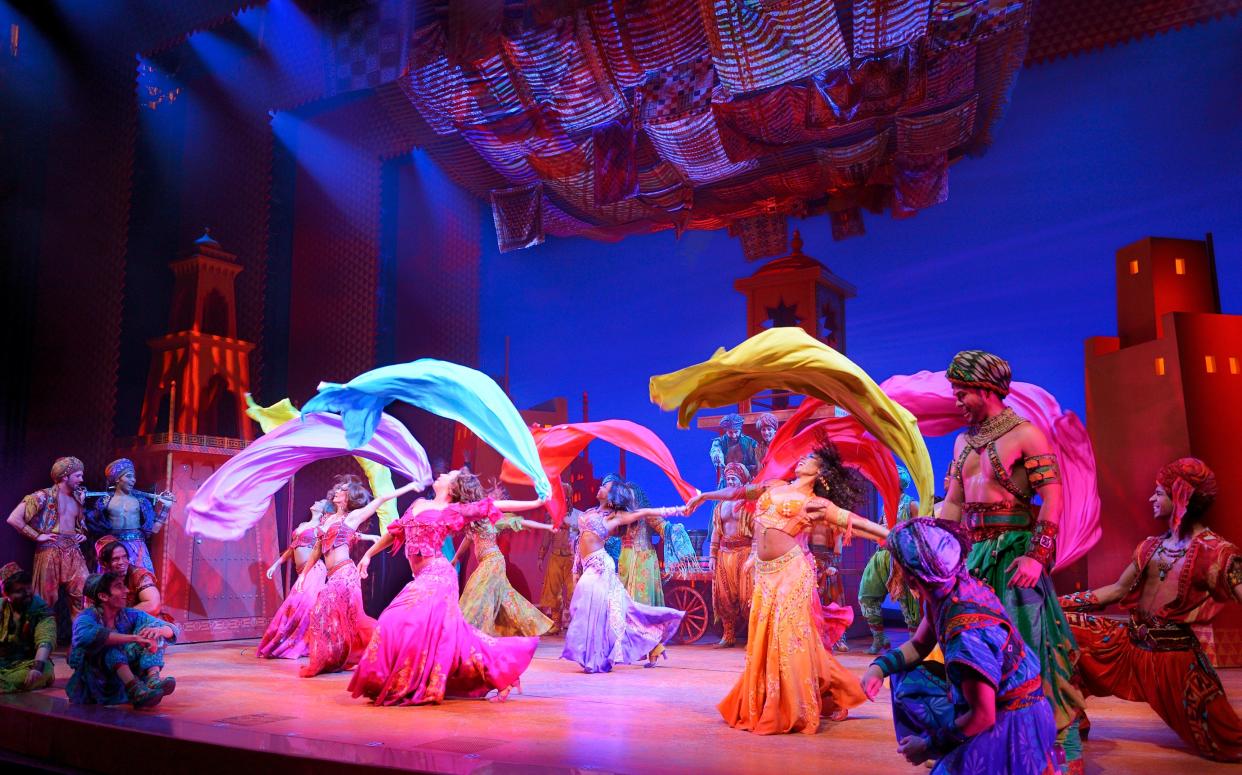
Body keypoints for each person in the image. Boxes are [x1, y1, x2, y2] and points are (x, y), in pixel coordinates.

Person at [938, 350, 1084, 771]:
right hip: (974, 558)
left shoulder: (1026, 434)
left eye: (962, 391)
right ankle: (992, 739)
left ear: (987, 389)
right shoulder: (963, 441)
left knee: (1033, 646)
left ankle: (1063, 741)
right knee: (975, 650)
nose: (957, 400)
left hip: (1016, 555)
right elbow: (952, 501)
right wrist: (938, 548)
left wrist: (1037, 557)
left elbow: (1054, 498)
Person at [688, 443, 888, 734]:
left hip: (793, 572)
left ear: (820, 472)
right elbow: (738, 492)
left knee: (791, 641)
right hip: (766, 574)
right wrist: (705, 496)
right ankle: (830, 694)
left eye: (810, 459)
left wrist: (892, 534)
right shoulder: (775, 485)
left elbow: (857, 523)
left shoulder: (816, 503)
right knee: (770, 640)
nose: (802, 459)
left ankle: (804, 704)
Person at [1060, 458, 1242, 761]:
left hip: (1173, 662)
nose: (1151, 498)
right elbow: (1117, 590)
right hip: (1127, 648)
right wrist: (1056, 604)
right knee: (1059, 626)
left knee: (1228, 743)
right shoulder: (1150, 547)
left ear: (1181, 496)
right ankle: (1070, 717)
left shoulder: (1217, 554)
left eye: (1158, 493)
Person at [860, 518, 1058, 774]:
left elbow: (983, 714)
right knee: (904, 677)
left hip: (1015, 720)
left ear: (911, 578)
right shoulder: (948, 590)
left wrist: (929, 745)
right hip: (1000, 706)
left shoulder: (965, 633)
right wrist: (878, 668)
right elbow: (920, 645)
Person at [349, 468, 544, 705]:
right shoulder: (419, 503)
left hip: (439, 576)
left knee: (394, 619)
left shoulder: (452, 511)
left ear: (453, 487)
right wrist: (369, 554)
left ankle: (399, 680)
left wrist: (536, 501)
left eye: (448, 475)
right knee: (456, 639)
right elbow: (396, 531)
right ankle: (502, 670)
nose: (441, 475)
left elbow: (495, 505)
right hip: (422, 577)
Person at [561, 478, 686, 673]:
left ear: (611, 496)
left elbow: (644, 512)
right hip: (590, 567)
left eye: (605, 487)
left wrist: (677, 510)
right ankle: (595, 656)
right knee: (597, 611)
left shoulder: (614, 517)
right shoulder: (590, 513)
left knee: (603, 612)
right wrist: (576, 569)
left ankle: (598, 658)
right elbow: (580, 541)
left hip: (601, 567)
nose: (600, 487)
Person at [292, 475, 395, 677]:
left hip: (346, 574)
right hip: (334, 575)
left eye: (343, 490)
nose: (338, 491)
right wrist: (303, 575)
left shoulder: (352, 517)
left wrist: (410, 486)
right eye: (339, 489)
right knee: (344, 618)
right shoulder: (328, 519)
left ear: (349, 497)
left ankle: (387, 645)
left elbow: (380, 500)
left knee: (324, 611)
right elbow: (317, 551)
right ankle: (338, 656)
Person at [453, 482, 557, 637]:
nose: (495, 500)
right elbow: (467, 540)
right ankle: (529, 624)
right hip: (486, 562)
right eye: (494, 495)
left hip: (493, 561)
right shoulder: (475, 517)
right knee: (507, 598)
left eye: (499, 497)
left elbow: (522, 522)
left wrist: (547, 527)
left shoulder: (497, 519)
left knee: (477, 592)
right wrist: (455, 558)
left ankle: (471, 632)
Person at [67, 572, 177, 708]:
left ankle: (152, 679)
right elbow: (90, 636)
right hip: (98, 681)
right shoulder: (86, 617)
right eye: (119, 587)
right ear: (103, 596)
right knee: (111, 646)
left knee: (151, 635)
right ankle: (135, 690)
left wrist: (158, 631)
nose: (127, 590)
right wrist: (134, 638)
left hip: (122, 673)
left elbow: (172, 629)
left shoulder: (128, 614)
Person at [6, 457, 90, 622]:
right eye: (78, 475)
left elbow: (79, 523)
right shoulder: (42, 496)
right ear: (65, 476)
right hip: (50, 549)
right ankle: (41, 641)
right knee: (45, 598)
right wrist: (37, 536)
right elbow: (14, 518)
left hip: (73, 550)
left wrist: (82, 533)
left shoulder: (77, 498)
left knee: (84, 594)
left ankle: (81, 642)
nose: (82, 479)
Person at [858, 465, 921, 654]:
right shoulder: (885, 504)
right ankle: (879, 638)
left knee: (907, 600)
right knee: (866, 595)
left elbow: (918, 532)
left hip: (901, 556)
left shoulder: (911, 504)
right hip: (881, 555)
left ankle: (914, 643)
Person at [257, 497, 329, 659]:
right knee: (297, 605)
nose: (316, 502)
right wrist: (276, 564)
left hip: (315, 569)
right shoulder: (303, 526)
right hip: (301, 570)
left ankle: (307, 643)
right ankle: (289, 641)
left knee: (305, 603)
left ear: (324, 509)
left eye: (320, 502)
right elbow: (292, 549)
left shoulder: (323, 527)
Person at [85, 458, 172, 574]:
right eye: (129, 476)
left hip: (137, 548)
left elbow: (155, 529)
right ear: (117, 479)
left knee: (141, 583)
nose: (133, 480)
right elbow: (92, 526)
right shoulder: (104, 502)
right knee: (111, 586)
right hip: (113, 548)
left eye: (134, 477)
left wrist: (166, 507)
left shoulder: (142, 502)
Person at [710, 463, 753, 648]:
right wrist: (712, 555)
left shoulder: (750, 504)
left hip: (745, 553)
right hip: (724, 554)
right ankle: (728, 635)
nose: (730, 481)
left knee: (747, 596)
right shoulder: (720, 505)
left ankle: (753, 637)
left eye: (733, 478)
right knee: (724, 596)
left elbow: (757, 530)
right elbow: (716, 531)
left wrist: (755, 555)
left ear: (742, 480)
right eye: (728, 479)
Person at [0, 564, 56, 693]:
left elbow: (46, 639)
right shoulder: (1, 607)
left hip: (27, 663)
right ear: (6, 594)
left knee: (44, 671)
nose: (27, 593)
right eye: (19, 591)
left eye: (29, 588)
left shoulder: (41, 609)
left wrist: (37, 667)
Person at [538, 479, 579, 633]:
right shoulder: (552, 515)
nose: (564, 500)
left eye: (566, 497)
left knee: (572, 591)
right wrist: (540, 557)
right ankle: (556, 622)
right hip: (555, 556)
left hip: (571, 558)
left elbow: (583, 535)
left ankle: (573, 621)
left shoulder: (578, 516)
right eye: (561, 497)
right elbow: (547, 537)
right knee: (553, 591)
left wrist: (571, 525)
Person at [95, 537, 166, 618]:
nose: (122, 562)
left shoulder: (139, 575)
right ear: (104, 563)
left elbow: (153, 605)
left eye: (125, 557)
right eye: (115, 559)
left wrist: (120, 617)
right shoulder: (98, 581)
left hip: (141, 623)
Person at [709, 413, 759, 488]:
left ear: (740, 430)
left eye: (736, 432)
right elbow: (716, 451)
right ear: (726, 431)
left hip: (746, 483)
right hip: (728, 483)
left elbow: (758, 461)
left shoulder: (750, 442)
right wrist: (717, 456)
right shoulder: (719, 442)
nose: (734, 435)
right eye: (730, 433)